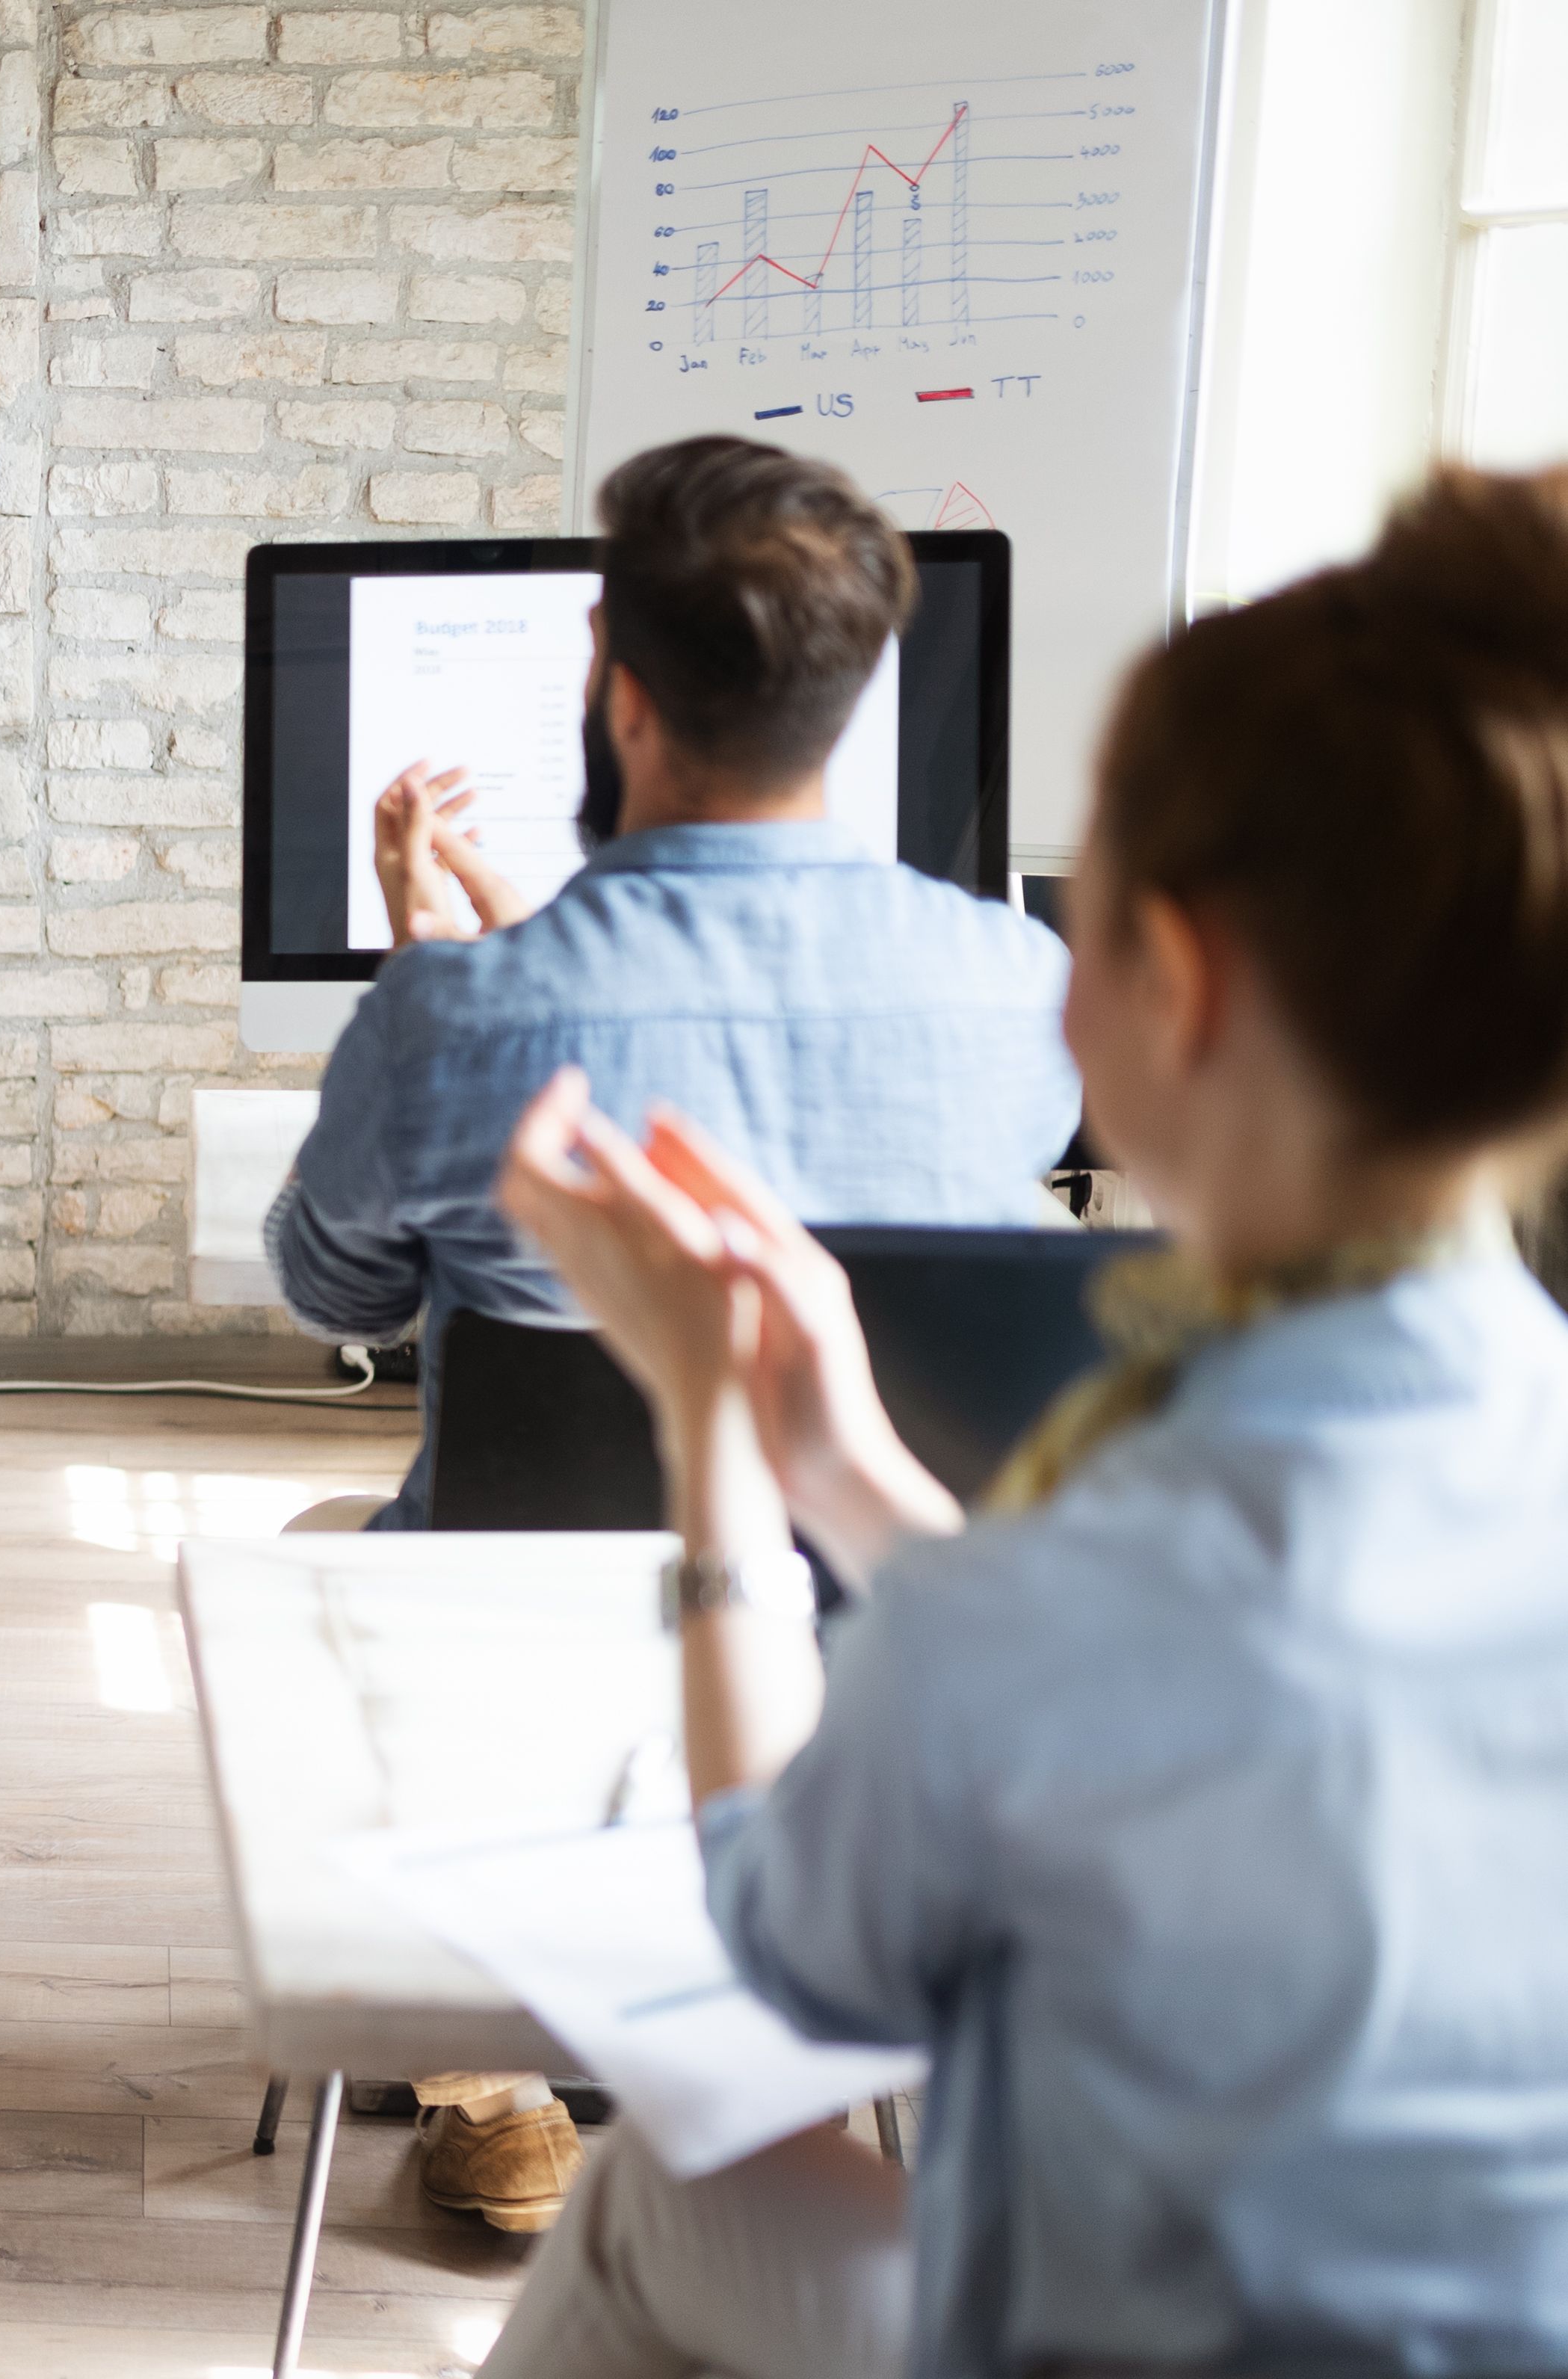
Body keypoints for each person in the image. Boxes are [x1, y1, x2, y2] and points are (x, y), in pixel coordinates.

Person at [482, 465, 1568, 2376]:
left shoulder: (1072, 1595)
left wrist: (715, 1446)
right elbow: (1171, 1688)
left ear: (1178, 978)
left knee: (674, 2175)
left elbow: (792, 1955)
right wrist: (852, 1472)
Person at [266, 436, 1083, 2233]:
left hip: (533, 1674)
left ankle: (479, 2077)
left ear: (615, 695)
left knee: (325, 1564)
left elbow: (330, 1294)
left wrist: (435, 968)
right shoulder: (1019, 988)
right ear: (851, 690)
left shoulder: (457, 1021)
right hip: (887, 1674)